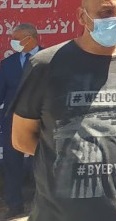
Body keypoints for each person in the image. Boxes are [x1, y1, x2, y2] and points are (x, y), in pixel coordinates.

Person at [10, 0, 116, 221]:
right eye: (105, 12)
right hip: (58, 214)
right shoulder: (45, 63)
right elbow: (21, 139)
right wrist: (70, 158)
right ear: (82, 16)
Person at [0, 23, 39, 216]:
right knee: (12, 166)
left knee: (43, 165)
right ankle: (14, 206)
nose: (13, 42)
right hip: (12, 123)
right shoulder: (7, 64)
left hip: (43, 122)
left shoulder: (50, 59)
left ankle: (42, 205)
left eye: (17, 39)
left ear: (30, 38)